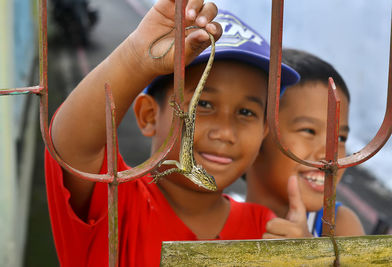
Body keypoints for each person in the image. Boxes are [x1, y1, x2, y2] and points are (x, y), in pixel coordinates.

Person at [44, 1, 301, 266]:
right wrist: (134, 59)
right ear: (149, 116)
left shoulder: (266, 229)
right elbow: (72, 144)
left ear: (264, 132)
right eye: (204, 104)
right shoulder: (115, 204)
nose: (225, 132)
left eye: (246, 113)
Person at [245, 48, 365, 238]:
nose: (329, 153)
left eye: (340, 138)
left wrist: (308, 256)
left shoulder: (336, 227)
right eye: (309, 131)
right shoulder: (215, 221)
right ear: (258, 133)